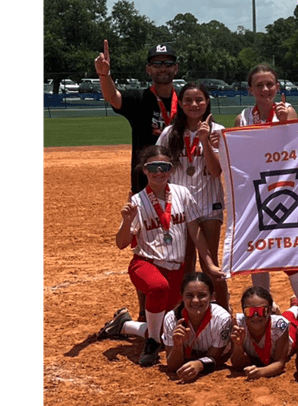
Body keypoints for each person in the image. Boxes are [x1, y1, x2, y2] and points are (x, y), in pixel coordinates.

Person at [96, 145, 224, 367]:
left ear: (171, 169)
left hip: (176, 269)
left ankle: (124, 325)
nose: (158, 172)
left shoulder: (182, 194)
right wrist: (127, 221)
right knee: (158, 289)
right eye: (152, 167)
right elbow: (121, 243)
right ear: (144, 170)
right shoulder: (137, 201)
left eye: (164, 167)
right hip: (145, 264)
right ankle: (153, 343)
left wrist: (210, 265)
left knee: (170, 325)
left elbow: (195, 233)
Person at [95, 40, 180, 322]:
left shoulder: (188, 101)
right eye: (157, 63)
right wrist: (104, 75)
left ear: (175, 68)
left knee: (179, 248)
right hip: (144, 188)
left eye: (168, 63)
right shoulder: (140, 99)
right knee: (147, 252)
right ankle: (146, 313)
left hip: (179, 188)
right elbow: (114, 98)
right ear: (148, 69)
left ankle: (175, 305)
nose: (163, 68)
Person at [233, 64, 298, 317]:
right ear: (250, 90)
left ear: (277, 87)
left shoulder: (287, 111)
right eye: (259, 85)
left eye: (270, 84)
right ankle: (262, 312)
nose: (265, 89)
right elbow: (239, 158)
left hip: (285, 191)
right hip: (255, 194)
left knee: (291, 252)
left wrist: (283, 124)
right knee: (260, 255)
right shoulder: (243, 117)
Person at [155, 83, 229, 310]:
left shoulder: (219, 130)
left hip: (209, 203)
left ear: (207, 102)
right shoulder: (170, 133)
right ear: (181, 104)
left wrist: (206, 140)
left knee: (210, 264)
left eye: (199, 100)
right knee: (184, 263)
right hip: (179, 207)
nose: (194, 105)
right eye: (188, 100)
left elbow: (216, 171)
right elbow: (159, 164)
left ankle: (224, 311)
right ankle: (183, 313)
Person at [162, 272, 233, 382]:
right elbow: (173, 366)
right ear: (182, 297)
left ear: (212, 297)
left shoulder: (222, 319)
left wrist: (199, 365)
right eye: (189, 295)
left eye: (202, 295)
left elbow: (215, 358)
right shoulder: (171, 319)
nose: (195, 301)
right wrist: (177, 345)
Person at [229, 286, 294, 379]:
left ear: (270, 310)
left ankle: (296, 306)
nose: (255, 317)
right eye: (249, 311)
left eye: (262, 310)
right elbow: (237, 365)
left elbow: (280, 363)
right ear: (243, 311)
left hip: (291, 337)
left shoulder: (280, 326)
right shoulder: (239, 325)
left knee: (290, 317)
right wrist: (238, 346)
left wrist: (260, 372)